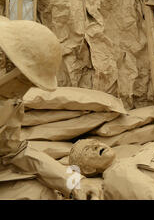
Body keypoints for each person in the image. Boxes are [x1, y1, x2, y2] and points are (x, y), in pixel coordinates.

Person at [0, 17, 100, 199]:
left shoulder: (10, 102)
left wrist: (74, 182)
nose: (25, 90)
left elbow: (13, 151)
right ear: (6, 65)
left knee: (42, 193)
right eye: (25, 81)